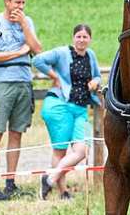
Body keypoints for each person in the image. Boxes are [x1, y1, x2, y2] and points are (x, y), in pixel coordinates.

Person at [0, 0, 42, 201]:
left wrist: (24, 24)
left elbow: (37, 49)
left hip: (24, 82)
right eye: (17, 2)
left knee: (17, 133)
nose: (20, 7)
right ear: (7, 1)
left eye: (23, 3)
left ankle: (10, 182)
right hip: (2, 82)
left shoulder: (28, 21)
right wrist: (17, 53)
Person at [33, 24, 102, 200]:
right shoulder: (62, 52)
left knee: (82, 150)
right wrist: (54, 76)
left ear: (90, 39)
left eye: (85, 37)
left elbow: (97, 76)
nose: (81, 40)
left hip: (81, 110)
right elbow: (37, 60)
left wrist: (95, 81)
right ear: (73, 38)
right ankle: (62, 191)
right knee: (60, 150)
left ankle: (48, 179)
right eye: (78, 36)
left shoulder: (90, 55)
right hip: (59, 106)